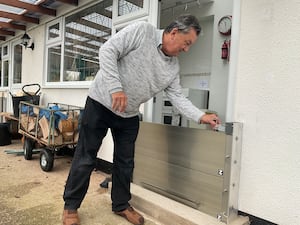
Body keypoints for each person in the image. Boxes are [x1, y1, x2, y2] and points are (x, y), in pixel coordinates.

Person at [62, 14, 220, 225]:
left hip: (128, 115)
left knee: (125, 163)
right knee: (86, 157)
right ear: (174, 33)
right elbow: (107, 50)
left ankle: (120, 204)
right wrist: (115, 87)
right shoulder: (142, 31)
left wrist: (201, 116)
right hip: (100, 103)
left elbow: (177, 98)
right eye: (187, 43)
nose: (187, 49)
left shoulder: (172, 68)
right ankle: (71, 207)